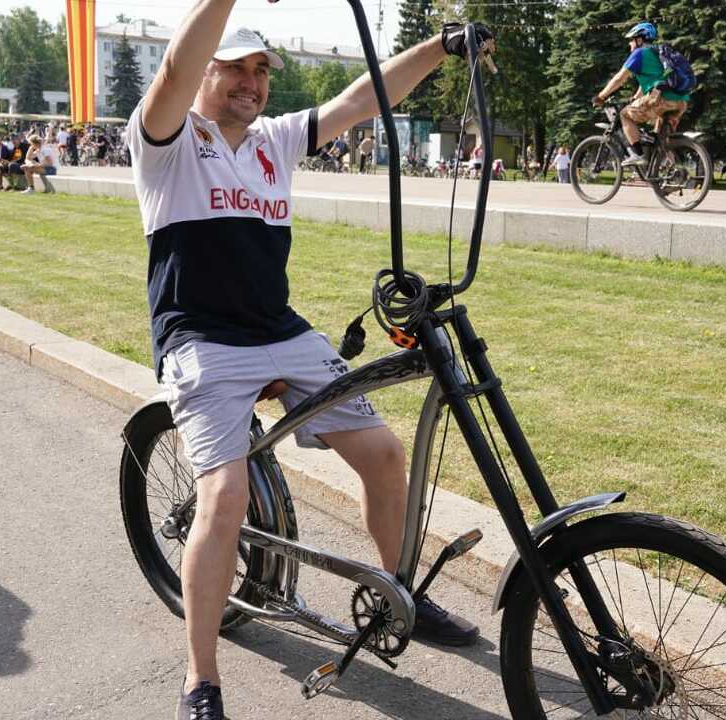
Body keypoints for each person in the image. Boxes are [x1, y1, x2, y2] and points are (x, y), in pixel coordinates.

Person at [123, 9, 491, 718]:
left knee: (385, 456)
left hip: (281, 332)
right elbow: (173, 69)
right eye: (235, 67)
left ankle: (399, 595)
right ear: (204, 72)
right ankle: (200, 679)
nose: (252, 82)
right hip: (201, 341)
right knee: (224, 497)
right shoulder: (166, 138)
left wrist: (442, 47)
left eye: (261, 70)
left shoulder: (276, 139)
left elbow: (363, 98)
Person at [593, 22, 691, 167]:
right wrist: (634, 98)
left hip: (661, 99)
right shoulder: (658, 53)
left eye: (631, 40)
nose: (630, 44)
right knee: (661, 140)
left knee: (625, 115)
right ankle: (673, 171)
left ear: (639, 40)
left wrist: (601, 96)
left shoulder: (639, 54)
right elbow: (649, 82)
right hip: (680, 102)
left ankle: (637, 154)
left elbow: (619, 78)